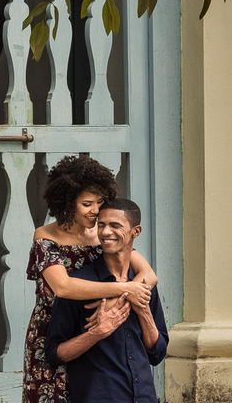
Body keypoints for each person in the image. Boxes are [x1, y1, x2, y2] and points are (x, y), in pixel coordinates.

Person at [23, 156, 157, 403]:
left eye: (99, 202)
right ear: (67, 201)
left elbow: (149, 275)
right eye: (86, 204)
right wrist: (124, 288)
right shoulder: (46, 237)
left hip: (91, 325)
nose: (95, 210)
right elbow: (63, 287)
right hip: (53, 331)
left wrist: (119, 299)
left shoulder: (102, 234)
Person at [43, 199, 168, 403]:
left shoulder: (143, 284)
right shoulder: (79, 286)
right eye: (101, 225)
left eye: (115, 225)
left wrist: (144, 311)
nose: (105, 232)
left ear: (136, 232)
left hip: (144, 397)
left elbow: (157, 354)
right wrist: (97, 332)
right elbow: (54, 353)